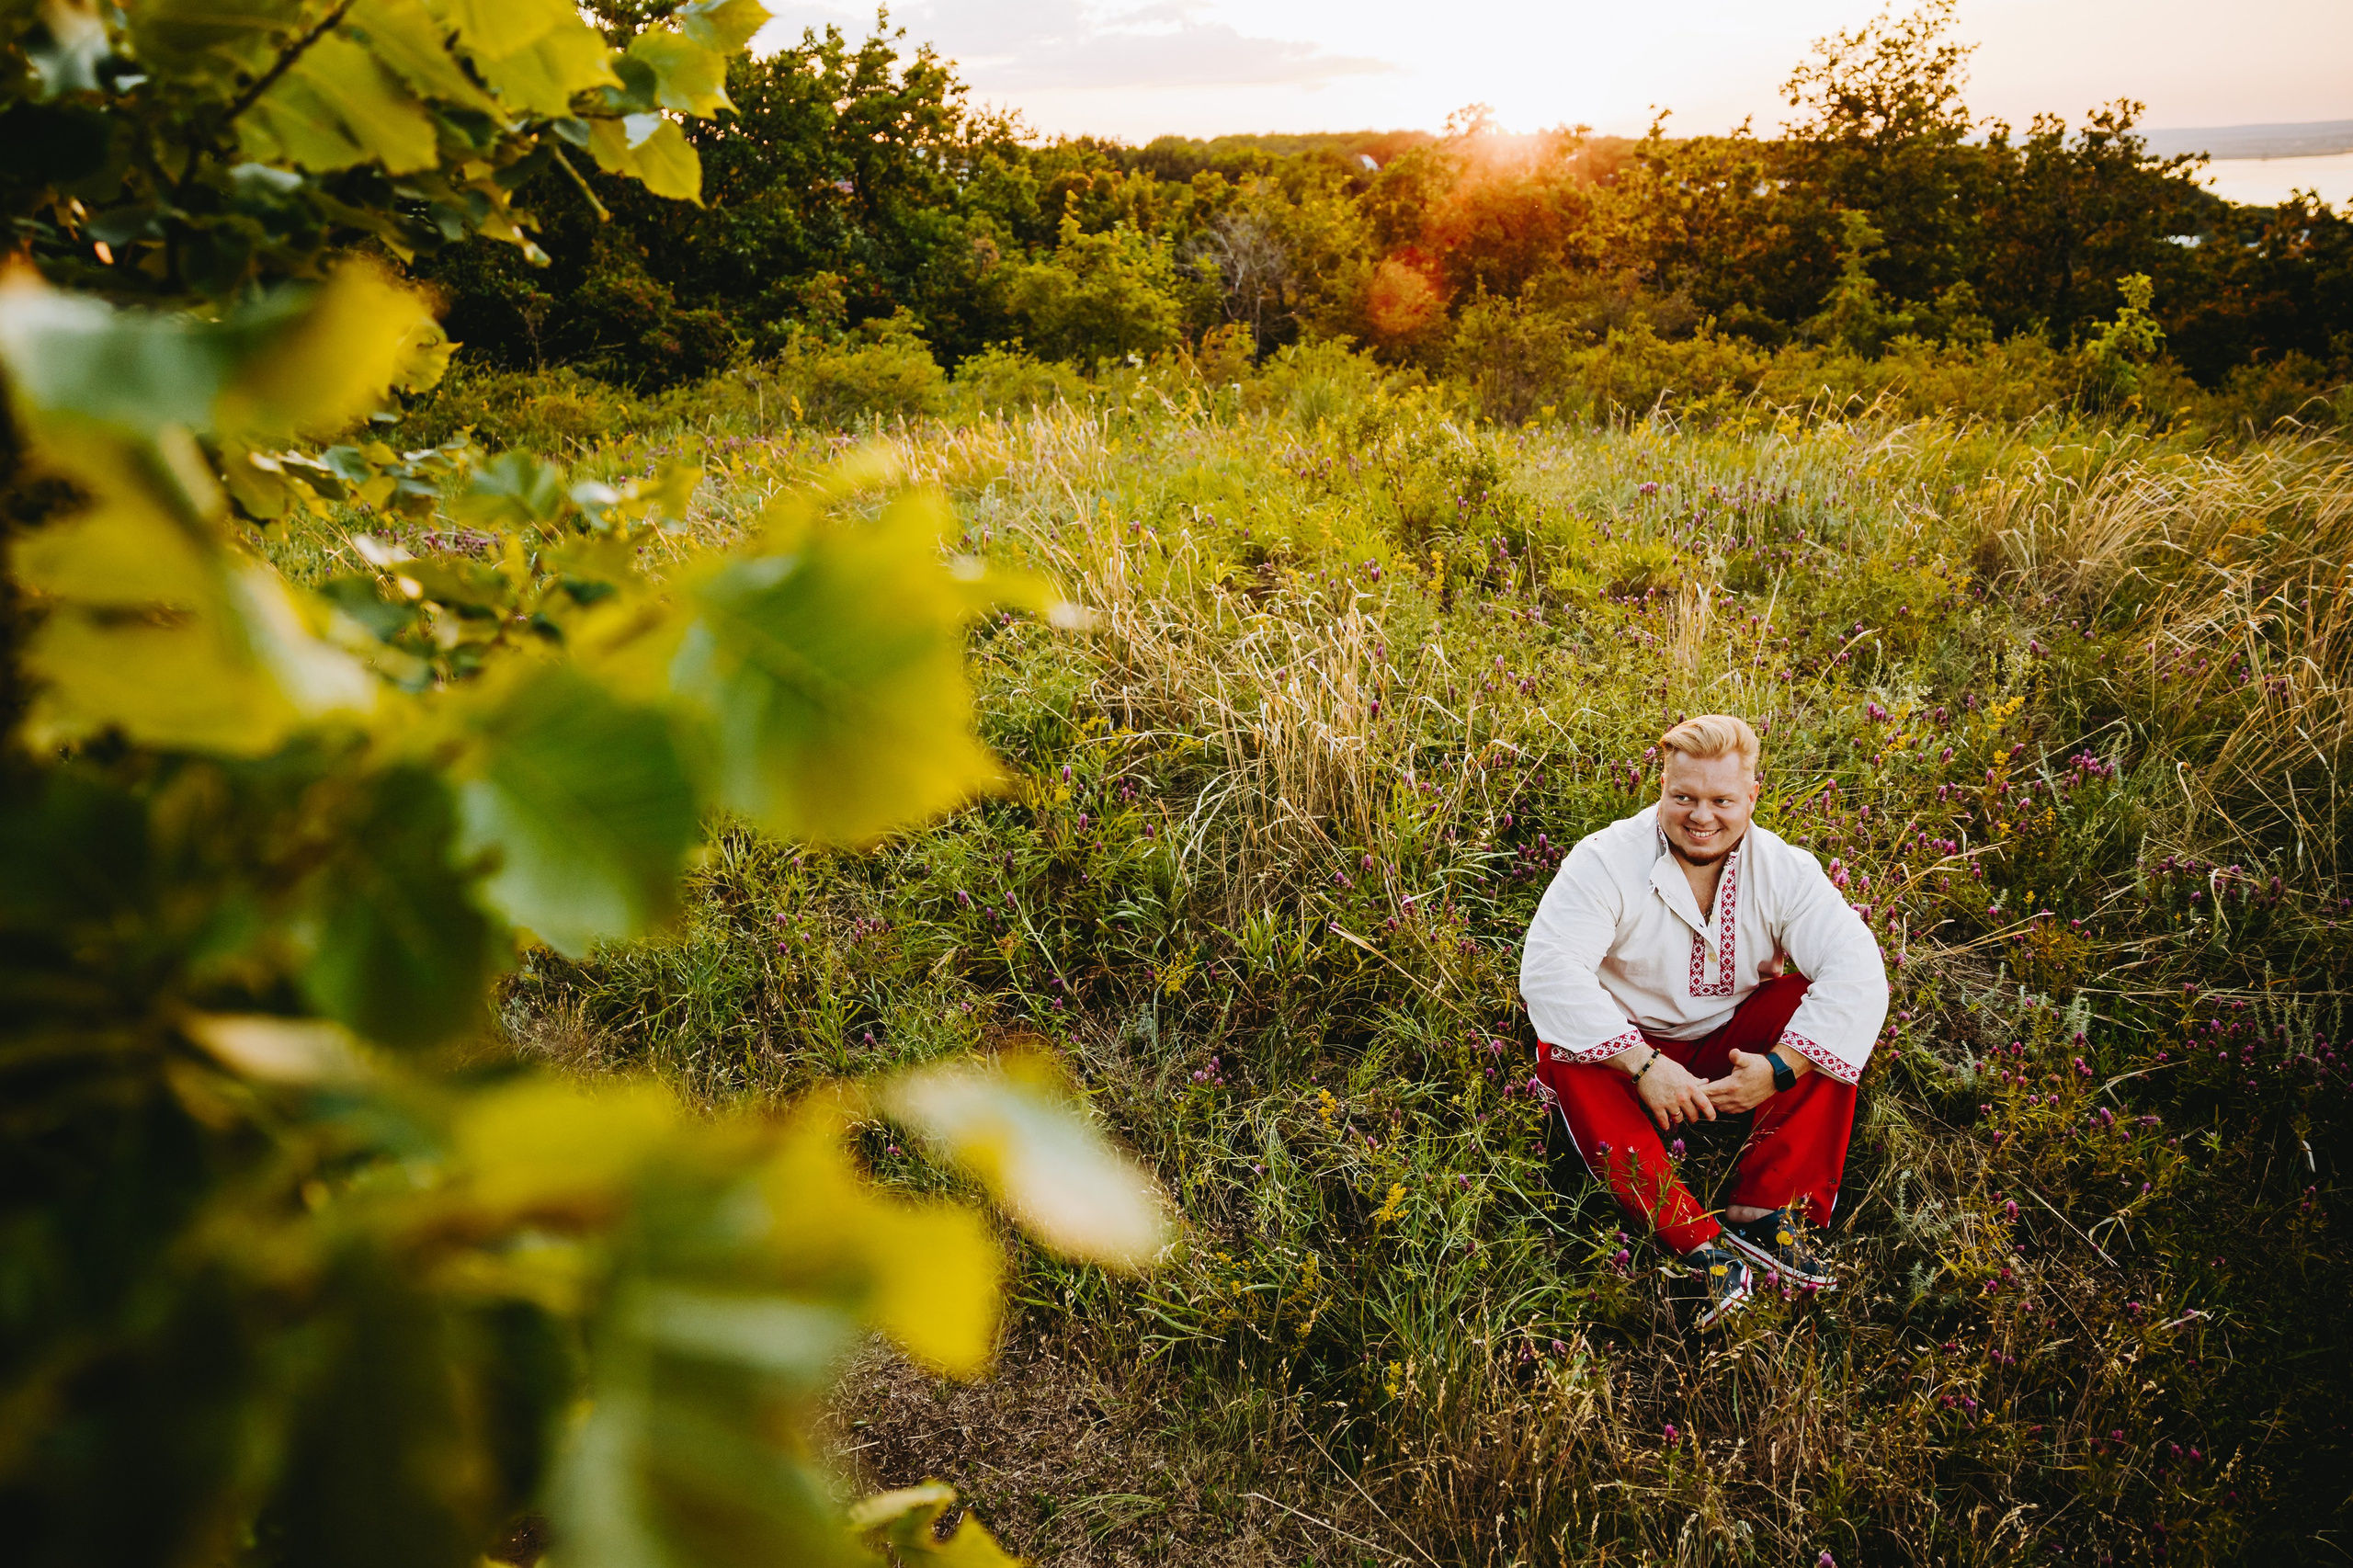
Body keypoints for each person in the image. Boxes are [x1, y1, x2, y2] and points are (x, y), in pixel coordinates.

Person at [1518, 714, 1889, 1329]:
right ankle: (1701, 1249)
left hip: (1729, 1048)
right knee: (1564, 1047)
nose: (1701, 815)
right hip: (1623, 1053)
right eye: (1683, 796)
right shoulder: (1606, 860)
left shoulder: (1784, 870)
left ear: (1752, 796)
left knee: (1813, 1001)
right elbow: (1550, 973)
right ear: (1661, 784)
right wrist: (1642, 1065)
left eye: (1721, 800)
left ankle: (1766, 1217)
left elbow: (1858, 970)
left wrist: (1780, 1068)